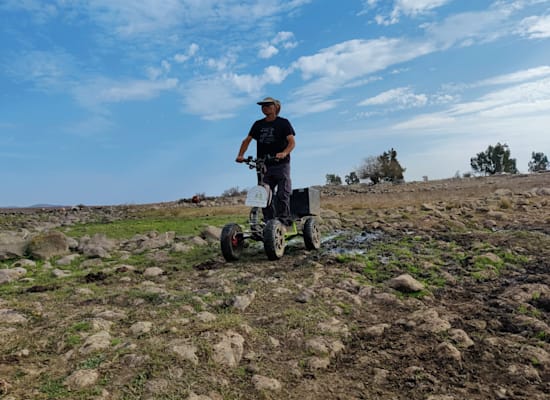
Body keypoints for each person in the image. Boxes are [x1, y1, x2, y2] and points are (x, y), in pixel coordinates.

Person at [236, 96, 296, 227]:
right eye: (263, 106)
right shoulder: (258, 124)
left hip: (281, 164)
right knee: (263, 196)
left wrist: (284, 152)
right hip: (264, 165)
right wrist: (240, 155)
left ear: (276, 107)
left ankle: (283, 221)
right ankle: (269, 222)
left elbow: (292, 142)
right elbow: (246, 140)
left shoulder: (283, 123)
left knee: (282, 193)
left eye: (268, 105)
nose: (265, 107)